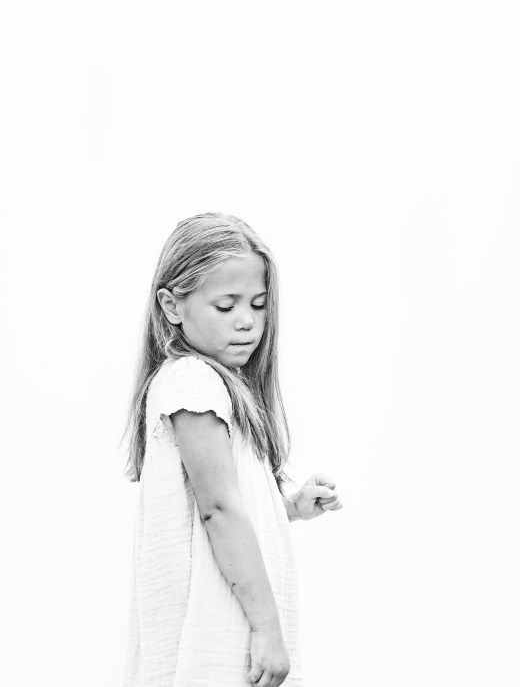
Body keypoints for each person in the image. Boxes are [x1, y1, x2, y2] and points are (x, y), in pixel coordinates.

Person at [120, 212, 342, 686]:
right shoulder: (193, 381)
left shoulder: (211, 384)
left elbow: (222, 503)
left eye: (258, 305)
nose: (247, 321)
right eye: (226, 306)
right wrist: (267, 628)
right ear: (171, 305)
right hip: (213, 634)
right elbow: (218, 510)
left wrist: (288, 508)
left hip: (221, 626)